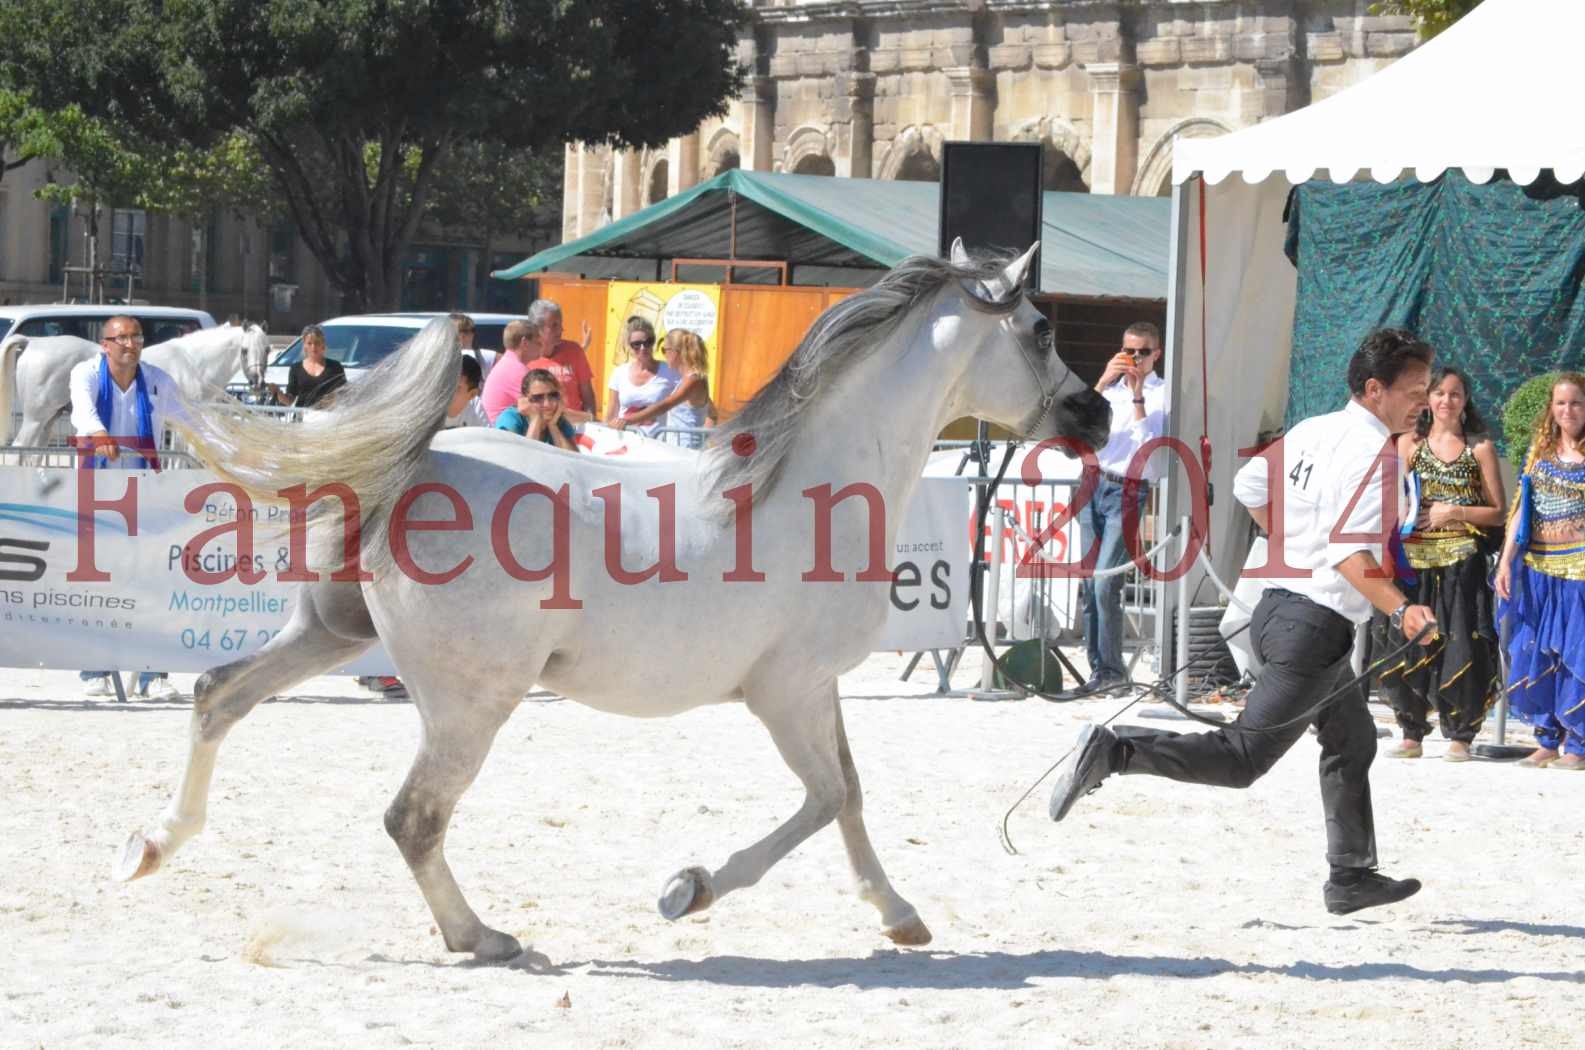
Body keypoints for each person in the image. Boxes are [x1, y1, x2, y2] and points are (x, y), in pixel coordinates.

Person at [1048, 327, 1437, 916]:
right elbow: (1350, 558)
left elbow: (1248, 485)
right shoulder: (1371, 455)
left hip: (1278, 607)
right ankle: (1116, 750)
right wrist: (1403, 610)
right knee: (1239, 761)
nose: (1425, 401)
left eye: (1428, 388)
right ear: (1375, 389)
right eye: (1416, 389)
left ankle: (1351, 876)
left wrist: (1288, 540)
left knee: (1351, 738)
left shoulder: (1313, 429)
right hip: (1313, 626)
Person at [1374, 367, 1505, 762]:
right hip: (1414, 560)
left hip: (1461, 562)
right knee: (1408, 643)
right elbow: (1395, 500)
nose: (1446, 401)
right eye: (1439, 394)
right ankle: (1411, 730)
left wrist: (1457, 511)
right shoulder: (1407, 444)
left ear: (1465, 401)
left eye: (1455, 394)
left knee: (1461, 644)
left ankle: (1460, 734)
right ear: (1427, 400)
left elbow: (1498, 512)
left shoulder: (1478, 447)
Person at [68, 315, 188, 701]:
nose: (131, 344)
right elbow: (84, 411)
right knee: (97, 584)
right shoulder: (85, 373)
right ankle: (95, 671)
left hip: (144, 492)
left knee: (151, 582)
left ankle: (154, 675)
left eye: (137, 337)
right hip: (96, 489)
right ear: (105, 343)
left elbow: (188, 420)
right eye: (122, 338)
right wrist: (99, 433)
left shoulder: (156, 379)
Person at [1053, 321, 1167, 699]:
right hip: (1093, 483)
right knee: (1090, 581)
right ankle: (1098, 671)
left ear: (1157, 354)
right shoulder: (1108, 391)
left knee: (1106, 581)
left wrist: (1138, 398)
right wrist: (1103, 382)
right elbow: (1074, 425)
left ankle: (1113, 671)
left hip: (1128, 491)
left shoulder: (1162, 394)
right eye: (1128, 351)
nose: (1134, 359)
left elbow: (1151, 447)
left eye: (1142, 352)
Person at [1494, 373, 1585, 771]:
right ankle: (1547, 739)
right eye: (1561, 403)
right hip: (1538, 569)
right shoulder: (1539, 451)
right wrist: (1504, 560)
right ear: (1551, 407)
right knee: (1537, 652)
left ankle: (1578, 744)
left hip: (1579, 571)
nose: (1568, 411)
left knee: (1574, 655)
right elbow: (1520, 512)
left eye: (1576, 403)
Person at [612, 327, 716, 447]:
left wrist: (627, 420)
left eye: (664, 350)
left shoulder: (694, 379)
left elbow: (664, 406)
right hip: (680, 447)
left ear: (675, 352)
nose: (663, 355)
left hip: (686, 449)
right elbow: (713, 413)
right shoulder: (691, 378)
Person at [605, 316, 679, 437]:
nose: (643, 348)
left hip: (658, 447)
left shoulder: (670, 371)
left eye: (648, 342)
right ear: (629, 346)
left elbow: (700, 404)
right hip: (624, 445)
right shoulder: (619, 373)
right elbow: (610, 416)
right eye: (636, 344)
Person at [521, 299, 596, 417]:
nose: (561, 330)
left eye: (560, 324)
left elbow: (588, 396)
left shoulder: (574, 351)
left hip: (576, 429)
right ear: (537, 329)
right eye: (554, 325)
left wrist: (591, 422)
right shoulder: (526, 359)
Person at [494, 369, 579, 451]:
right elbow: (519, 460)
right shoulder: (510, 418)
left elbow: (575, 461)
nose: (547, 404)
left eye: (553, 395)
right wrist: (535, 418)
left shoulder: (558, 420)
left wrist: (553, 425)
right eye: (538, 398)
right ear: (524, 398)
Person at [267, 324, 346, 409]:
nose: (313, 347)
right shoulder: (295, 368)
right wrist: (278, 392)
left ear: (322, 344)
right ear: (304, 345)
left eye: (317, 343)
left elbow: (345, 395)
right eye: (309, 343)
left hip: (329, 418)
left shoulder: (335, 367)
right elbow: (289, 401)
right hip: (302, 418)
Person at [443, 353, 488, 428]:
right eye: (446, 383)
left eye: (456, 388)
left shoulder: (476, 408)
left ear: (472, 394)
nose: (447, 391)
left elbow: (487, 438)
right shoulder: (429, 409)